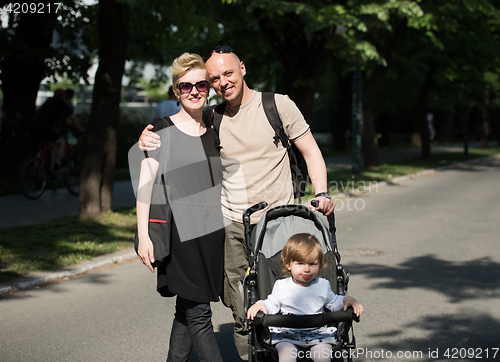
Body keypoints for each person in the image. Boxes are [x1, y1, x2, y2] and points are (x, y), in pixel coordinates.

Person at [138, 45, 335, 361]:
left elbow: (311, 152)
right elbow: (170, 136)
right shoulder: (214, 117)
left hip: (278, 225)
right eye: (213, 78)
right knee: (242, 310)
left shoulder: (277, 106)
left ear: (242, 68)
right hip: (230, 226)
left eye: (227, 73)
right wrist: (145, 137)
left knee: (289, 307)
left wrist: (321, 192)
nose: (221, 82)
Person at [135, 52, 224, 362]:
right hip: (180, 239)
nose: (195, 91)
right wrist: (143, 236)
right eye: (186, 86)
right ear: (176, 91)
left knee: (186, 312)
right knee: (200, 315)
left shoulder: (216, 126)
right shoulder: (160, 131)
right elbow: (145, 186)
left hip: (212, 235)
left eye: (201, 84)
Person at [247, 233, 364, 362]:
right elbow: (272, 304)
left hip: (317, 334)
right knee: (286, 355)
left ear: (320, 264)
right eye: (300, 263)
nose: (307, 269)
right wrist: (261, 304)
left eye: (312, 264)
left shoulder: (322, 285)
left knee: (323, 356)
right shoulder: (281, 286)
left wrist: (346, 300)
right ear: (288, 264)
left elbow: (333, 303)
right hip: (288, 334)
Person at [31, 89, 74, 172]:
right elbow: (70, 120)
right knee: (61, 143)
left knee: (42, 150)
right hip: (46, 129)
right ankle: (56, 167)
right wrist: (80, 129)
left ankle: (36, 169)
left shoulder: (49, 101)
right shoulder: (62, 104)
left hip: (34, 127)